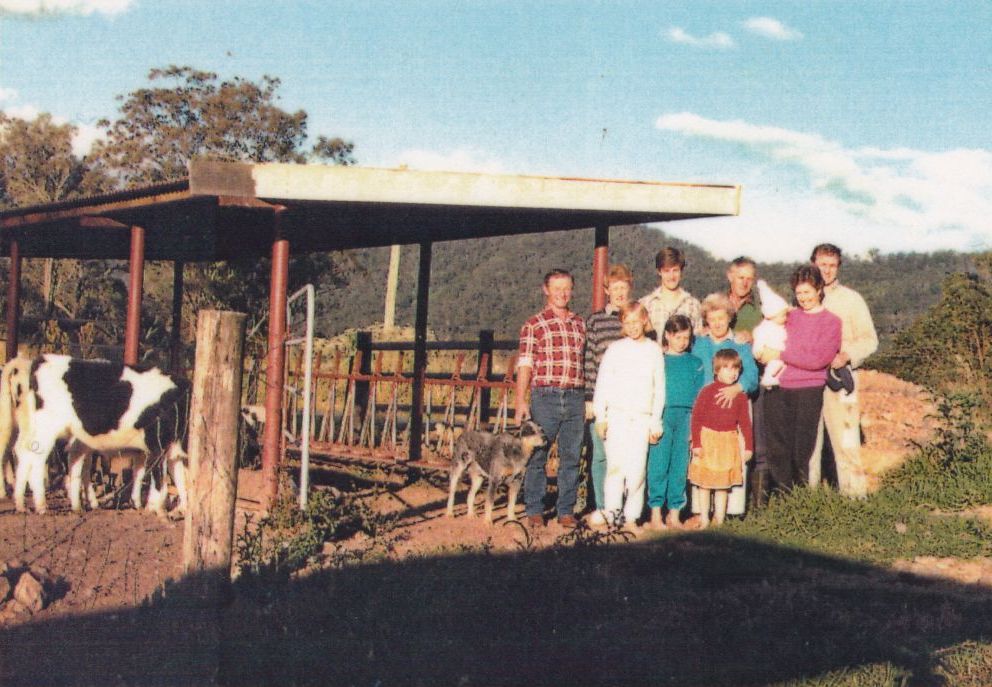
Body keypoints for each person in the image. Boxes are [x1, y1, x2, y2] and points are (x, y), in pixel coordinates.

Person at [756, 265, 841, 492]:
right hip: (778, 387)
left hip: (808, 390)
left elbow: (818, 360)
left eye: (808, 292)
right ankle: (783, 496)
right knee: (777, 447)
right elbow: (766, 334)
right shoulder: (789, 317)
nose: (803, 298)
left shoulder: (831, 322)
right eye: (799, 293)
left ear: (819, 289)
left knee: (802, 447)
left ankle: (801, 498)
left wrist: (781, 354)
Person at [515, 268, 586, 528]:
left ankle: (565, 510)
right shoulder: (534, 324)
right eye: (556, 289)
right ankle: (534, 508)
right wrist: (521, 401)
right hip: (545, 396)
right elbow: (525, 364)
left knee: (571, 456)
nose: (562, 294)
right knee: (538, 454)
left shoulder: (579, 323)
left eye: (566, 288)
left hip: (575, 395)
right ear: (546, 290)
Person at [588, 302, 665, 531]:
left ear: (644, 320)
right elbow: (603, 384)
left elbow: (658, 388)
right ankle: (612, 515)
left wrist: (655, 422)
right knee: (615, 469)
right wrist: (601, 416)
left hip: (641, 418)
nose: (632, 326)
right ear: (622, 324)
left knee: (637, 470)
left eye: (636, 321)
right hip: (616, 417)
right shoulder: (615, 349)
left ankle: (631, 518)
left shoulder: (653, 350)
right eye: (627, 322)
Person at [810, 244, 879, 498]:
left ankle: (854, 501)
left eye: (831, 265)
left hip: (841, 380)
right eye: (821, 264)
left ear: (838, 267)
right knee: (810, 446)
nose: (826, 270)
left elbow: (870, 339)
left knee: (846, 443)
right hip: (810, 380)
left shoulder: (851, 299)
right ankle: (809, 502)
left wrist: (847, 355)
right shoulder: (803, 297)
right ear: (812, 264)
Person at [690, 293, 759, 516]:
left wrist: (737, 388)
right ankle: (702, 511)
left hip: (733, 409)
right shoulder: (699, 343)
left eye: (722, 317)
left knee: (734, 458)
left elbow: (752, 376)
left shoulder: (739, 343)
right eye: (712, 318)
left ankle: (732, 510)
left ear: (729, 318)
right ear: (706, 320)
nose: (717, 323)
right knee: (704, 460)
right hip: (705, 411)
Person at [583, 264, 633, 512]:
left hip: (630, 400)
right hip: (603, 398)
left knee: (626, 454)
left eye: (624, 287)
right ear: (607, 290)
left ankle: (624, 507)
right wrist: (590, 399)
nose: (620, 293)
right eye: (615, 288)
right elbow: (589, 360)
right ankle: (601, 506)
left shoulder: (637, 319)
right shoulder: (595, 320)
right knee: (601, 454)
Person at [646, 314, 704, 530]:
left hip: (686, 417)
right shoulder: (659, 360)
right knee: (658, 465)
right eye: (677, 337)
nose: (682, 342)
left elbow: (699, 396)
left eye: (686, 337)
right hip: (663, 416)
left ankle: (674, 513)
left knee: (680, 466)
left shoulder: (695, 363)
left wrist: (694, 427)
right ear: (668, 336)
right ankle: (655, 514)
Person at [688, 349, 754, 528]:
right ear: (716, 370)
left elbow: (745, 423)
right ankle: (704, 518)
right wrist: (697, 443)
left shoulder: (740, 395)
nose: (733, 372)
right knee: (704, 483)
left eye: (736, 368)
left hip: (728, 442)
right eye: (727, 368)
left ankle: (719, 519)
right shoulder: (707, 392)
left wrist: (748, 447)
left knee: (722, 485)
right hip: (708, 440)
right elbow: (696, 419)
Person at [640, 246, 703, 336]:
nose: (671, 276)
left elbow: (698, 341)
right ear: (659, 272)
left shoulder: (693, 305)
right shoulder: (645, 304)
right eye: (666, 271)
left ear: (681, 271)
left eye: (675, 270)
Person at [752, 280, 790, 388]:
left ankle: (774, 379)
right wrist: (757, 350)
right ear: (771, 315)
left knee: (781, 366)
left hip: (781, 353)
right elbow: (759, 339)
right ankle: (769, 379)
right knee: (773, 365)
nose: (785, 318)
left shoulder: (782, 326)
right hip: (771, 351)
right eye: (782, 315)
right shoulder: (764, 328)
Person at [726, 256, 762, 342]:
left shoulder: (762, 310)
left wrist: (753, 339)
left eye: (749, 279)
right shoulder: (715, 304)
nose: (744, 283)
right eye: (741, 278)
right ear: (730, 276)